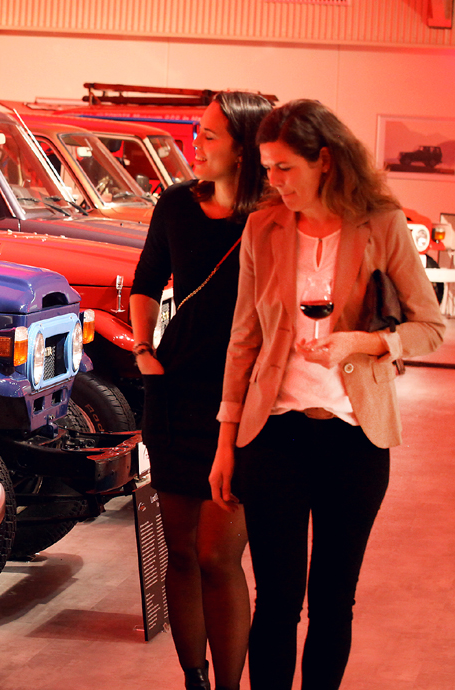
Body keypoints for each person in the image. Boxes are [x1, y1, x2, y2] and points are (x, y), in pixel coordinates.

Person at [209, 99, 445, 690]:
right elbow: (243, 339)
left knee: (334, 600)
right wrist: (225, 441)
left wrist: (362, 343)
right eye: (268, 168)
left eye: (285, 168)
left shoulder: (381, 225)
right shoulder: (262, 228)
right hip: (273, 435)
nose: (274, 181)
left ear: (326, 161)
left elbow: (430, 328)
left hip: (354, 439)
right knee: (276, 599)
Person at [131, 90, 272, 690]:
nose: (195, 143)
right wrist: (143, 350)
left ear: (243, 149)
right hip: (175, 392)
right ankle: (195, 678)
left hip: (242, 400)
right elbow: (145, 281)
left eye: (209, 135)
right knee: (182, 553)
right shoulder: (175, 204)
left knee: (217, 555)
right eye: (198, 131)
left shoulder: (272, 216)